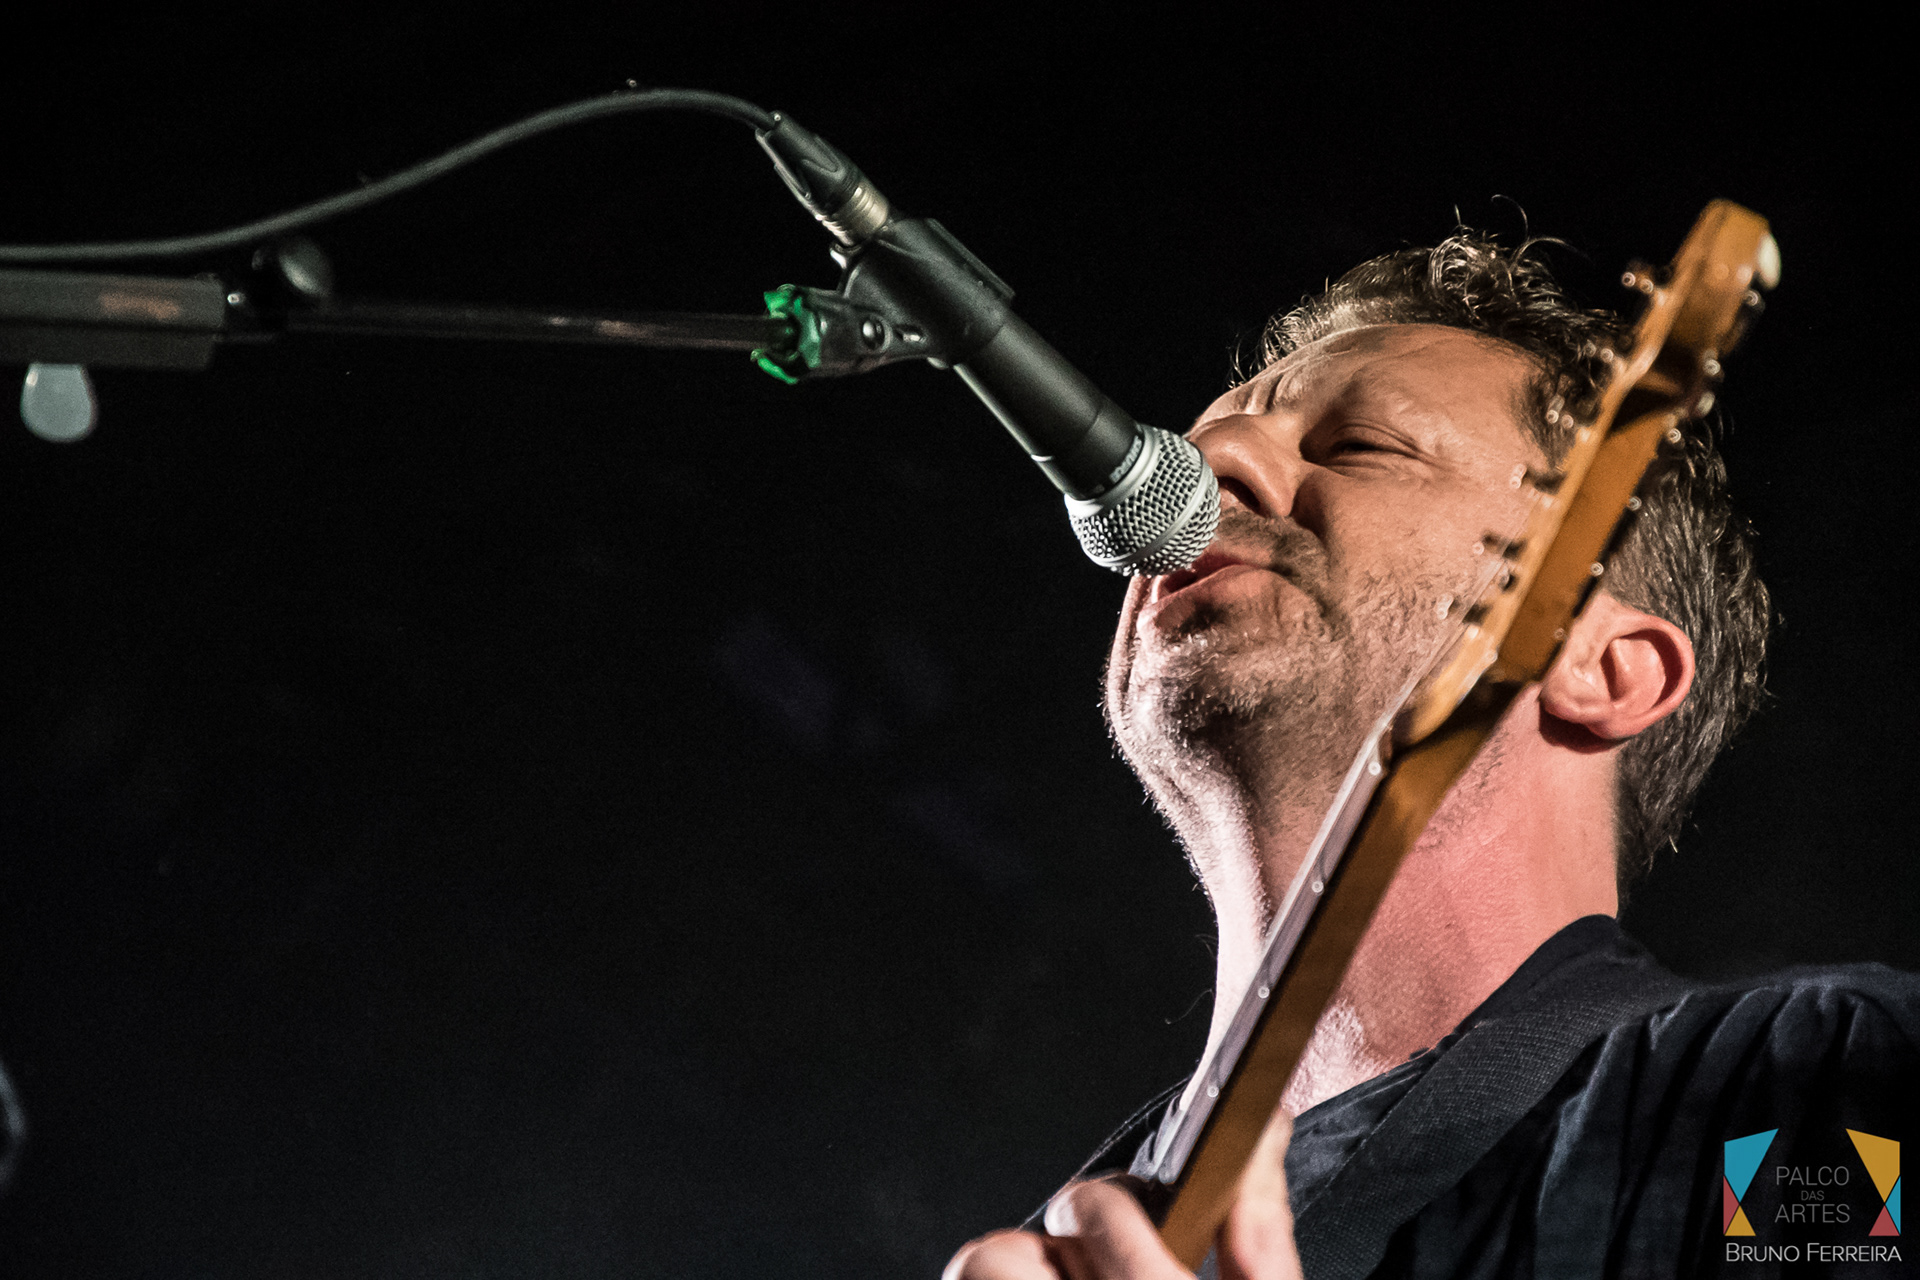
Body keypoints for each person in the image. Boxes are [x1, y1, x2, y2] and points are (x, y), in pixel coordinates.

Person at [945, 234, 1919, 1279]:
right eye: (1198, 447)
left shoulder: (1804, 1089)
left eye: (1359, 445)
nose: (1206, 470)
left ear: (1608, 669)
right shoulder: (1054, 1241)